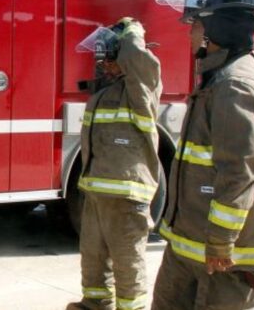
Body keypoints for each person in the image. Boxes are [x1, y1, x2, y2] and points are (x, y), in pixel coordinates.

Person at [152, 0, 254, 308]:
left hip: (224, 260)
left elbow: (239, 173)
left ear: (214, 29)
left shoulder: (235, 85)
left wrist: (221, 240)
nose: (189, 33)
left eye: (195, 24)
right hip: (193, 246)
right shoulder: (219, 77)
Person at [67, 18, 163, 310]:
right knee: (93, 258)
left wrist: (132, 32)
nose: (105, 66)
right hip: (97, 195)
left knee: (126, 263)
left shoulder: (140, 90)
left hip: (126, 197)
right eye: (104, 59)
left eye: (112, 59)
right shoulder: (104, 95)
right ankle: (95, 304)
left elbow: (137, 60)